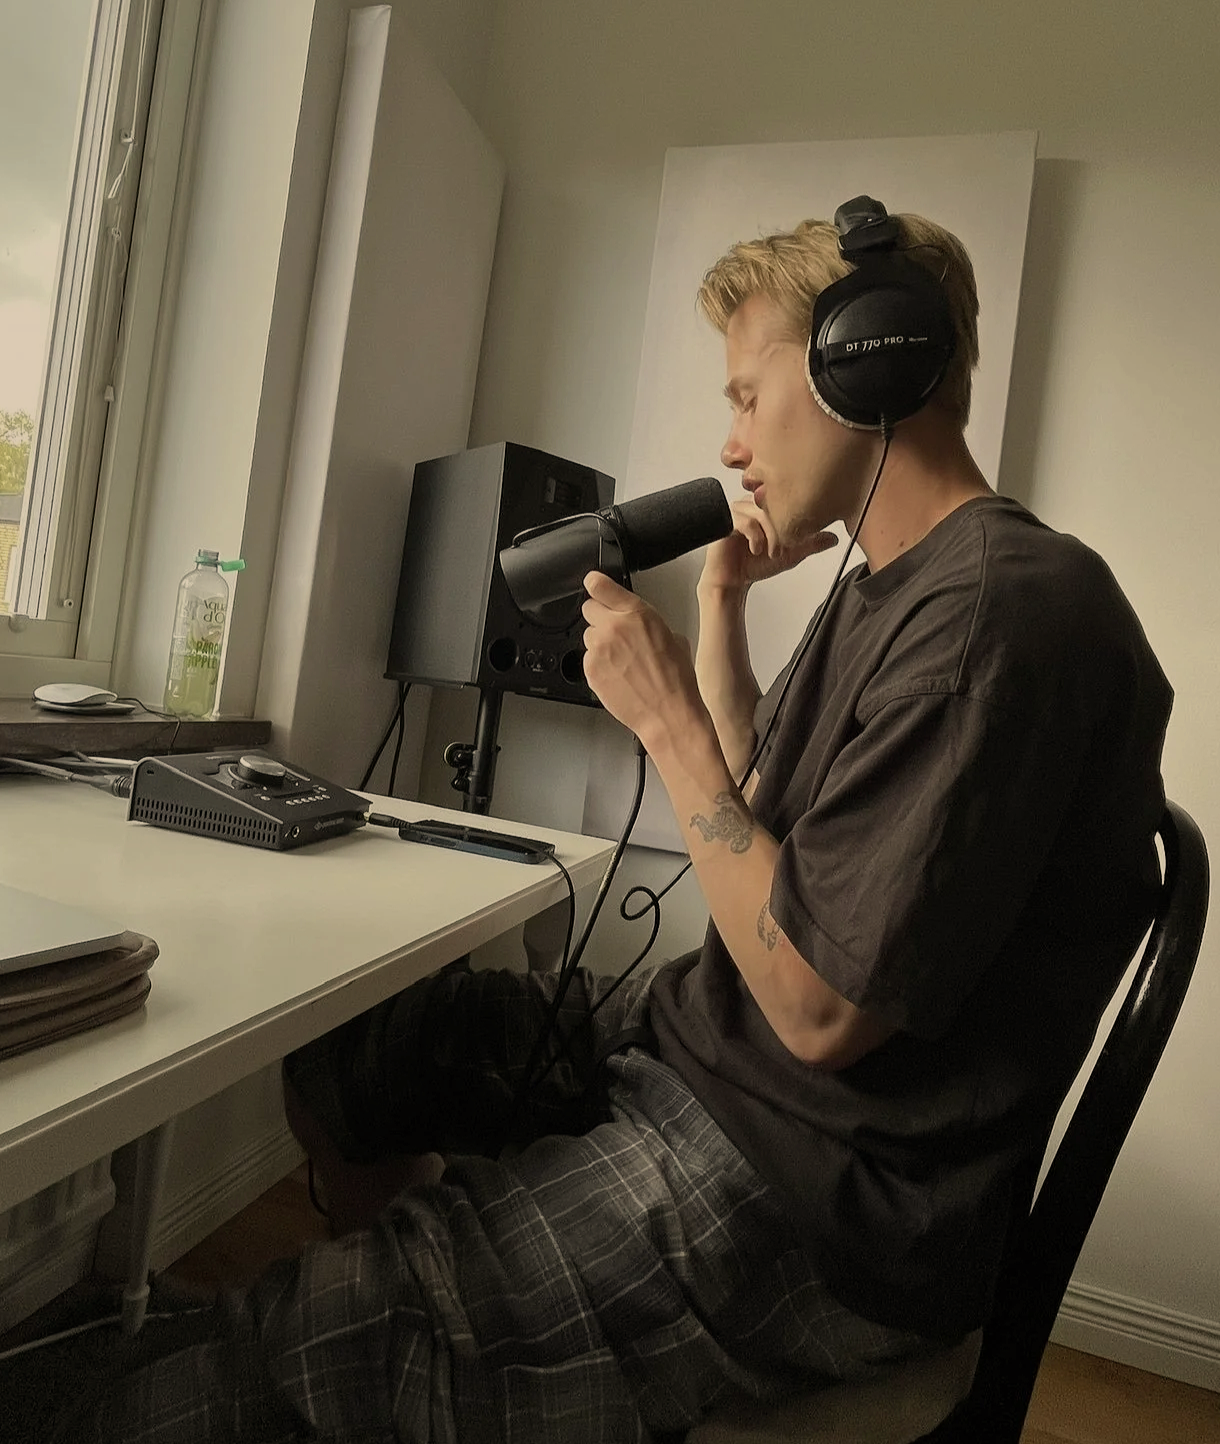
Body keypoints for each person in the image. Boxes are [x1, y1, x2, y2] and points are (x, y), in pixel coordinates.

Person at [63, 208, 1171, 1444]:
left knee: (268, 1353)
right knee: (366, 1048)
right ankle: (447, 1364)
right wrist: (722, 604)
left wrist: (666, 728)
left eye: (750, 394)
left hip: (807, 1192)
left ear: (866, 365)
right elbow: (770, 813)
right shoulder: (896, 589)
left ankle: (404, 1342)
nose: (731, 439)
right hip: (708, 1062)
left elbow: (815, 1004)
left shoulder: (999, 619)